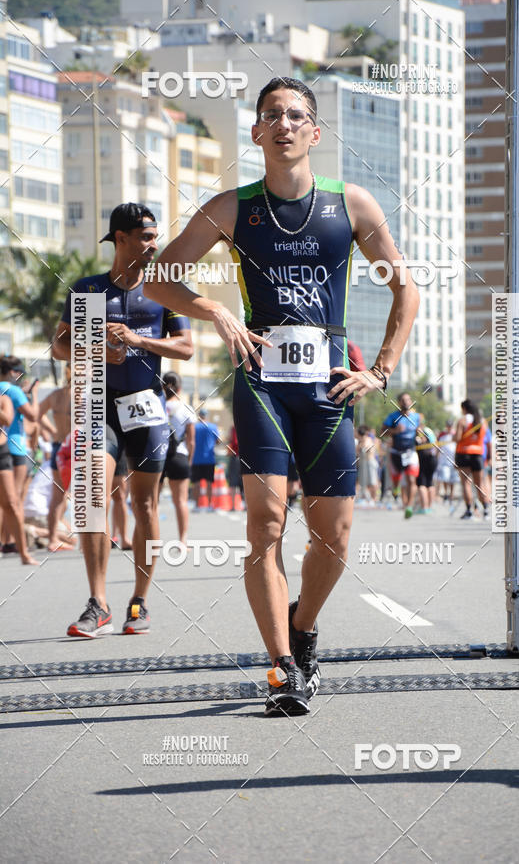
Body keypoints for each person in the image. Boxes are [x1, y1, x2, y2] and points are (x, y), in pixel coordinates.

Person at [144, 76, 419, 715]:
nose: (285, 124)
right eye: (273, 115)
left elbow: (406, 288)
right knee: (264, 526)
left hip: (328, 386)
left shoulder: (351, 205)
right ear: (257, 131)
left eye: (297, 115)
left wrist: (380, 370)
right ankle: (282, 667)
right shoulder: (230, 208)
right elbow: (158, 280)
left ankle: (303, 625)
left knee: (335, 536)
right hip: (261, 381)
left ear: (315, 133)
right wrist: (211, 306)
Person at [51, 202, 193, 637]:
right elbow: (59, 347)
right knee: (93, 492)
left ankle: (139, 602)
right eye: (146, 237)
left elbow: (185, 347)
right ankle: (98, 602)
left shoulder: (163, 288)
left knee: (144, 504)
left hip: (146, 405)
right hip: (98, 402)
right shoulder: (88, 290)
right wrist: (94, 345)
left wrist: (136, 340)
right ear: (121, 239)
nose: (154, 244)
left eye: (155, 236)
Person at [0, 356, 39, 553]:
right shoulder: (13, 391)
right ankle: (11, 542)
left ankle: (6, 540)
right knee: (15, 500)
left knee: (5, 500)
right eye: (17, 371)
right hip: (15, 447)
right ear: (11, 372)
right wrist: (34, 395)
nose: (19, 375)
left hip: (5, 444)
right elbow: (32, 415)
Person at [37, 364, 72, 552]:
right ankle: (91, 539)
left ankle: (52, 539)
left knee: (57, 495)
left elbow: (37, 414)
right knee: (89, 495)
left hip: (60, 445)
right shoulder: (87, 394)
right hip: (77, 446)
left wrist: (51, 430)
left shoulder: (56, 395)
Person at [160, 371, 196, 543]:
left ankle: (151, 539)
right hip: (179, 455)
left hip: (157, 455)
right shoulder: (186, 409)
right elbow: (191, 440)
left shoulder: (157, 406)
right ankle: (183, 540)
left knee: (151, 502)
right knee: (181, 501)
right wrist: (189, 461)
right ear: (180, 389)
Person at [382, 393, 421, 518]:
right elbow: (382, 432)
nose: (406, 402)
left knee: (411, 480)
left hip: (410, 452)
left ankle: (409, 506)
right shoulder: (393, 417)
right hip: (396, 453)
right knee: (397, 479)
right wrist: (395, 431)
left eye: (408, 400)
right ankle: (395, 490)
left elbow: (419, 430)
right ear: (399, 402)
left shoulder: (416, 417)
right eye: (403, 400)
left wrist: (421, 436)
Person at [455, 398, 490, 520]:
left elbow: (458, 437)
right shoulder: (482, 421)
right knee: (480, 483)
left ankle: (469, 511)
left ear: (464, 409)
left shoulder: (462, 421)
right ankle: (486, 510)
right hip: (477, 454)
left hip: (463, 453)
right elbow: (486, 439)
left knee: (465, 483)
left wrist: (455, 437)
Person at [191, 409, 220, 510]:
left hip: (196, 458)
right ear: (206, 416)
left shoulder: (194, 427)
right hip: (209, 459)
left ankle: (196, 505)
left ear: (199, 416)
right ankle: (209, 505)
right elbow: (218, 441)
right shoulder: (213, 427)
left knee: (196, 483)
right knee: (209, 482)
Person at [415, 420, 438, 513]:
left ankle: (424, 507)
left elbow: (422, 441)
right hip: (432, 458)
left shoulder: (421, 432)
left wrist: (418, 440)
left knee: (422, 483)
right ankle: (429, 506)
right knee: (430, 482)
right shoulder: (429, 431)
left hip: (424, 458)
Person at [436, 418, 458, 509]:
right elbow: (438, 447)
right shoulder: (442, 435)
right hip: (444, 460)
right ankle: (445, 493)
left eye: (450, 426)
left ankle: (451, 495)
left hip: (454, 460)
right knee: (445, 478)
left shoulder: (456, 434)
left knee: (452, 480)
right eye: (448, 426)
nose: (449, 428)